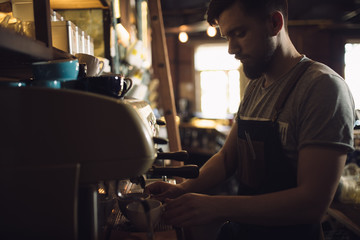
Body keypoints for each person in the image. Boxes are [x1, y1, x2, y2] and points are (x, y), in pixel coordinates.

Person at [145, 0, 355, 239]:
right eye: (227, 37)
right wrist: (180, 190)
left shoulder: (322, 88)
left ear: (275, 23)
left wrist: (215, 206)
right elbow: (226, 158)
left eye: (240, 33)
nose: (231, 49)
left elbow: (312, 204)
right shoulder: (255, 86)